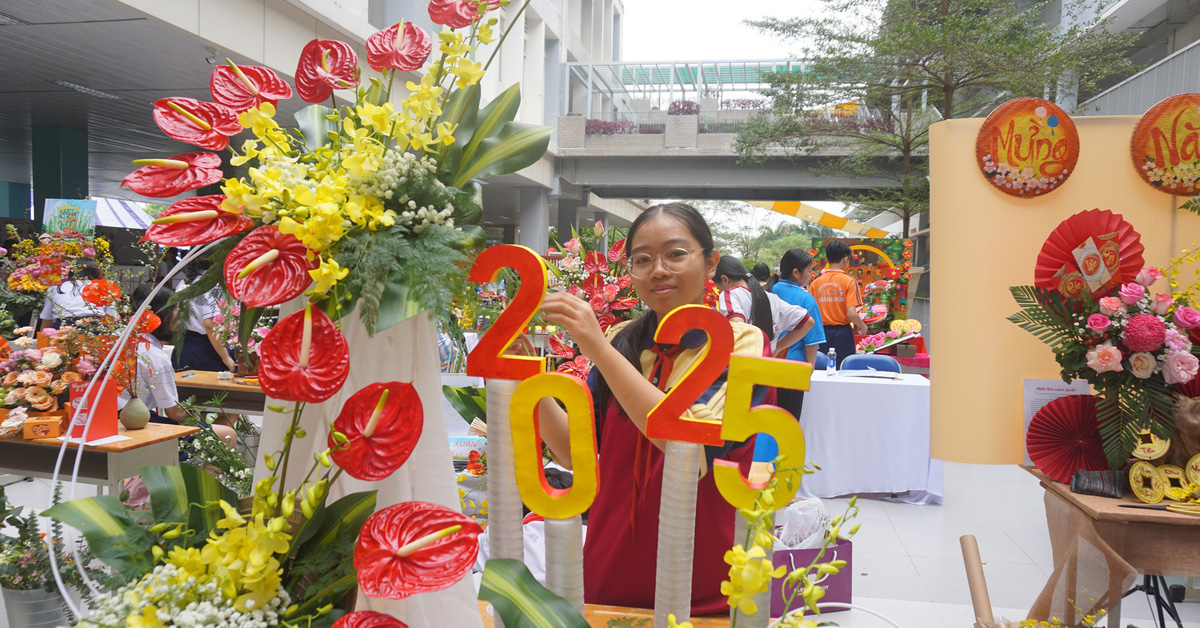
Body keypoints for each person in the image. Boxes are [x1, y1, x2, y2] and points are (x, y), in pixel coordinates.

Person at [537, 202, 769, 614]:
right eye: (642, 260)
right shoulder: (623, 339)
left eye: (676, 254)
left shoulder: (741, 344)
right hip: (607, 570)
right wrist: (526, 381)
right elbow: (573, 451)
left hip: (698, 577)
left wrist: (597, 348)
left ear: (711, 262)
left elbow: (689, 451)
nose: (658, 270)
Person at [714, 255, 814, 357]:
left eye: (718, 287)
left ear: (725, 280)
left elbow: (738, 329)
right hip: (767, 367)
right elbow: (808, 322)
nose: (719, 291)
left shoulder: (730, 295)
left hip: (743, 367)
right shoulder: (772, 298)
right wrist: (776, 348)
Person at [770, 249, 826, 421]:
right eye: (809, 270)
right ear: (796, 272)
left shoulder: (768, 290)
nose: (811, 274)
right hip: (793, 371)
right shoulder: (805, 299)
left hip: (766, 366)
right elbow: (812, 344)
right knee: (788, 422)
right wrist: (808, 375)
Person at [808, 240, 867, 368]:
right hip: (842, 333)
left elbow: (810, 313)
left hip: (820, 333)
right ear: (845, 259)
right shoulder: (850, 282)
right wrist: (862, 325)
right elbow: (851, 313)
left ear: (827, 258)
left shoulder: (815, 283)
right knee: (843, 369)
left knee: (821, 369)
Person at [171, 264, 235, 373]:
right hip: (205, 351)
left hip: (184, 346)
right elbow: (210, 325)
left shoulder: (185, 282)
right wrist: (226, 358)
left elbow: (175, 319)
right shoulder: (210, 285)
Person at [39, 261, 116, 329]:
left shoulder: (55, 288)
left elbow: (47, 319)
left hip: (63, 327)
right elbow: (111, 319)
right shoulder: (103, 288)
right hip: (95, 327)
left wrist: (43, 340)